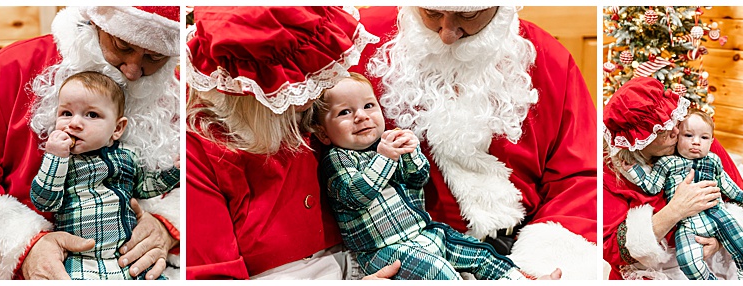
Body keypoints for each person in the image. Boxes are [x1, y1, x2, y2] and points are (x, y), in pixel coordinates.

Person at [352, 6, 596, 279]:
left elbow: (581, 177)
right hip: (403, 256)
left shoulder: (548, 57)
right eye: (432, 13)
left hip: (523, 249)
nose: (447, 34)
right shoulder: (360, 38)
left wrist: (540, 262)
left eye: (467, 16)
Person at [185, 6, 400, 279]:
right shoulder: (203, 143)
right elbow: (212, 273)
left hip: (365, 250)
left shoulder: (310, 106)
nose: (323, 84)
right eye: (304, 75)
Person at [0, 6, 182, 280]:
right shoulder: (9, 66)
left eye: (154, 57)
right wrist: (21, 243)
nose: (132, 72)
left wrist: (168, 224)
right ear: (96, 22)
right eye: (122, 45)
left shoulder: (176, 91)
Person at [311, 72, 527, 280]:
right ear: (323, 133)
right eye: (344, 112)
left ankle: (522, 279)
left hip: (424, 233)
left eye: (368, 106)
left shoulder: (386, 142)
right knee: (439, 270)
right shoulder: (338, 158)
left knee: (480, 253)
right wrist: (385, 158)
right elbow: (354, 196)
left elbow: (417, 180)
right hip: (383, 250)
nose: (361, 116)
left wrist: (411, 153)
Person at [602, 76, 743, 280]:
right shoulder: (613, 173)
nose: (676, 130)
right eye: (662, 131)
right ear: (640, 140)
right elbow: (611, 248)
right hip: (656, 269)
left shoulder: (695, 142)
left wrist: (719, 241)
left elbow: (739, 197)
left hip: (716, 248)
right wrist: (675, 210)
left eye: (671, 120)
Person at [29, 71, 181, 280]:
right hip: (82, 258)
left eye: (91, 115)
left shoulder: (127, 157)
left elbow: (145, 188)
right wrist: (55, 158)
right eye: (66, 113)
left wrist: (175, 172)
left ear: (117, 128)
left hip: (127, 258)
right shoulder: (63, 161)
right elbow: (45, 202)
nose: (74, 123)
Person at [625, 108, 743, 280]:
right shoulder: (667, 163)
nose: (696, 142)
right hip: (686, 224)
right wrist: (635, 170)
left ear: (711, 141)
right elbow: (652, 186)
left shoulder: (713, 159)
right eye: (688, 136)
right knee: (687, 261)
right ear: (678, 137)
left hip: (717, 213)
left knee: (741, 242)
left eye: (703, 138)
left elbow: (727, 184)